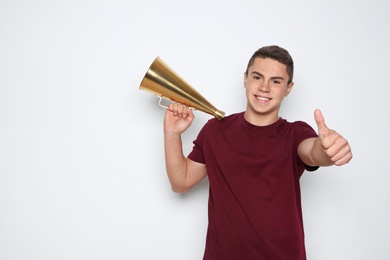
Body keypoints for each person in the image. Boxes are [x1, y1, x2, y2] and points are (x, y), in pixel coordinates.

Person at [163, 45, 352, 260]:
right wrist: (171, 134)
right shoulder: (215, 130)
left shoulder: (294, 133)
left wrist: (329, 150)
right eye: (257, 77)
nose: (264, 87)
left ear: (288, 88)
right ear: (245, 79)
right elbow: (181, 181)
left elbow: (313, 151)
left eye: (276, 81)